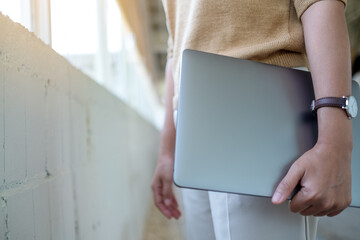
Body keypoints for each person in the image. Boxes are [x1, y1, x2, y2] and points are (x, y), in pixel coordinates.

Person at [151, 0, 353, 239]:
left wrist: (335, 143)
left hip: (258, 100)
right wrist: (166, 153)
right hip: (190, 121)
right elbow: (176, 42)